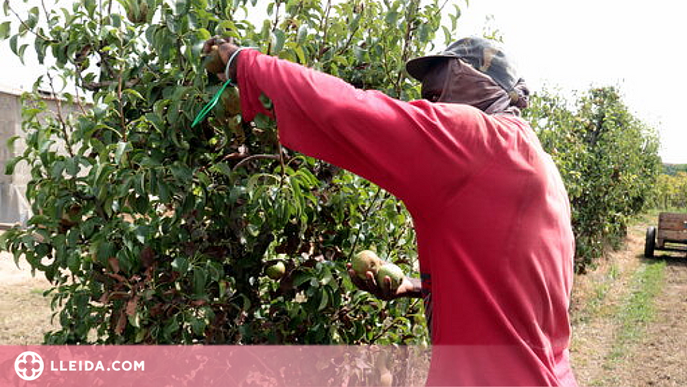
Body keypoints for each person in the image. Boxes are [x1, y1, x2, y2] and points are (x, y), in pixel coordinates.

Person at [202, 36, 578, 387]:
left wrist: (247, 64)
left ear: (471, 84)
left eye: (436, 92)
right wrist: (417, 287)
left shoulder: (474, 139)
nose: (428, 106)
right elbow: (511, 288)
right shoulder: (536, 163)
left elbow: (349, 109)